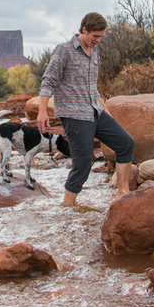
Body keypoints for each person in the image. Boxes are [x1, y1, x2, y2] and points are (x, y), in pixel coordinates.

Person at [34, 11, 137, 207]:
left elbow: (93, 88)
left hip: (95, 111)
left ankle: (122, 192)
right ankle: (68, 206)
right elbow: (48, 81)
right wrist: (42, 110)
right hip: (74, 115)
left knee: (126, 143)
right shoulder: (64, 50)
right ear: (84, 30)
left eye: (101, 37)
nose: (97, 40)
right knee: (83, 163)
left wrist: (106, 111)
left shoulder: (95, 52)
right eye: (95, 36)